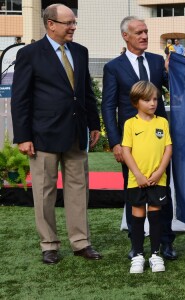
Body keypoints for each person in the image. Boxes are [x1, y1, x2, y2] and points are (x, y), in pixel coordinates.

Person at [11, 3, 101, 265]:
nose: (73, 27)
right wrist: (23, 136)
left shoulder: (81, 52)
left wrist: (93, 124)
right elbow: (20, 99)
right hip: (42, 136)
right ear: (51, 24)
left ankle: (81, 242)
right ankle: (48, 244)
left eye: (74, 23)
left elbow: (86, 93)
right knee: (44, 192)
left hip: (75, 134)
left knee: (79, 190)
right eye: (68, 23)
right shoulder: (29, 54)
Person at [102, 16, 177, 261]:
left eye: (146, 31)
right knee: (133, 193)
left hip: (159, 141)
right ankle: (136, 245)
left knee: (162, 191)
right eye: (139, 32)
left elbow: (173, 88)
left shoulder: (157, 62)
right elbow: (108, 106)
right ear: (126, 36)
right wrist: (115, 143)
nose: (144, 36)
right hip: (130, 144)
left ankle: (166, 242)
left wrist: (172, 71)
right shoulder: (113, 67)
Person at [122, 81, 172, 273]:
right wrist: (138, 175)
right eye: (147, 100)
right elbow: (126, 151)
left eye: (155, 99)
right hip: (137, 181)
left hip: (158, 180)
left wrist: (159, 172)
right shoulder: (130, 124)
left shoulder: (163, 122)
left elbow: (168, 148)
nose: (153, 103)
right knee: (137, 217)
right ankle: (138, 255)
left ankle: (155, 255)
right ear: (136, 102)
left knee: (156, 216)